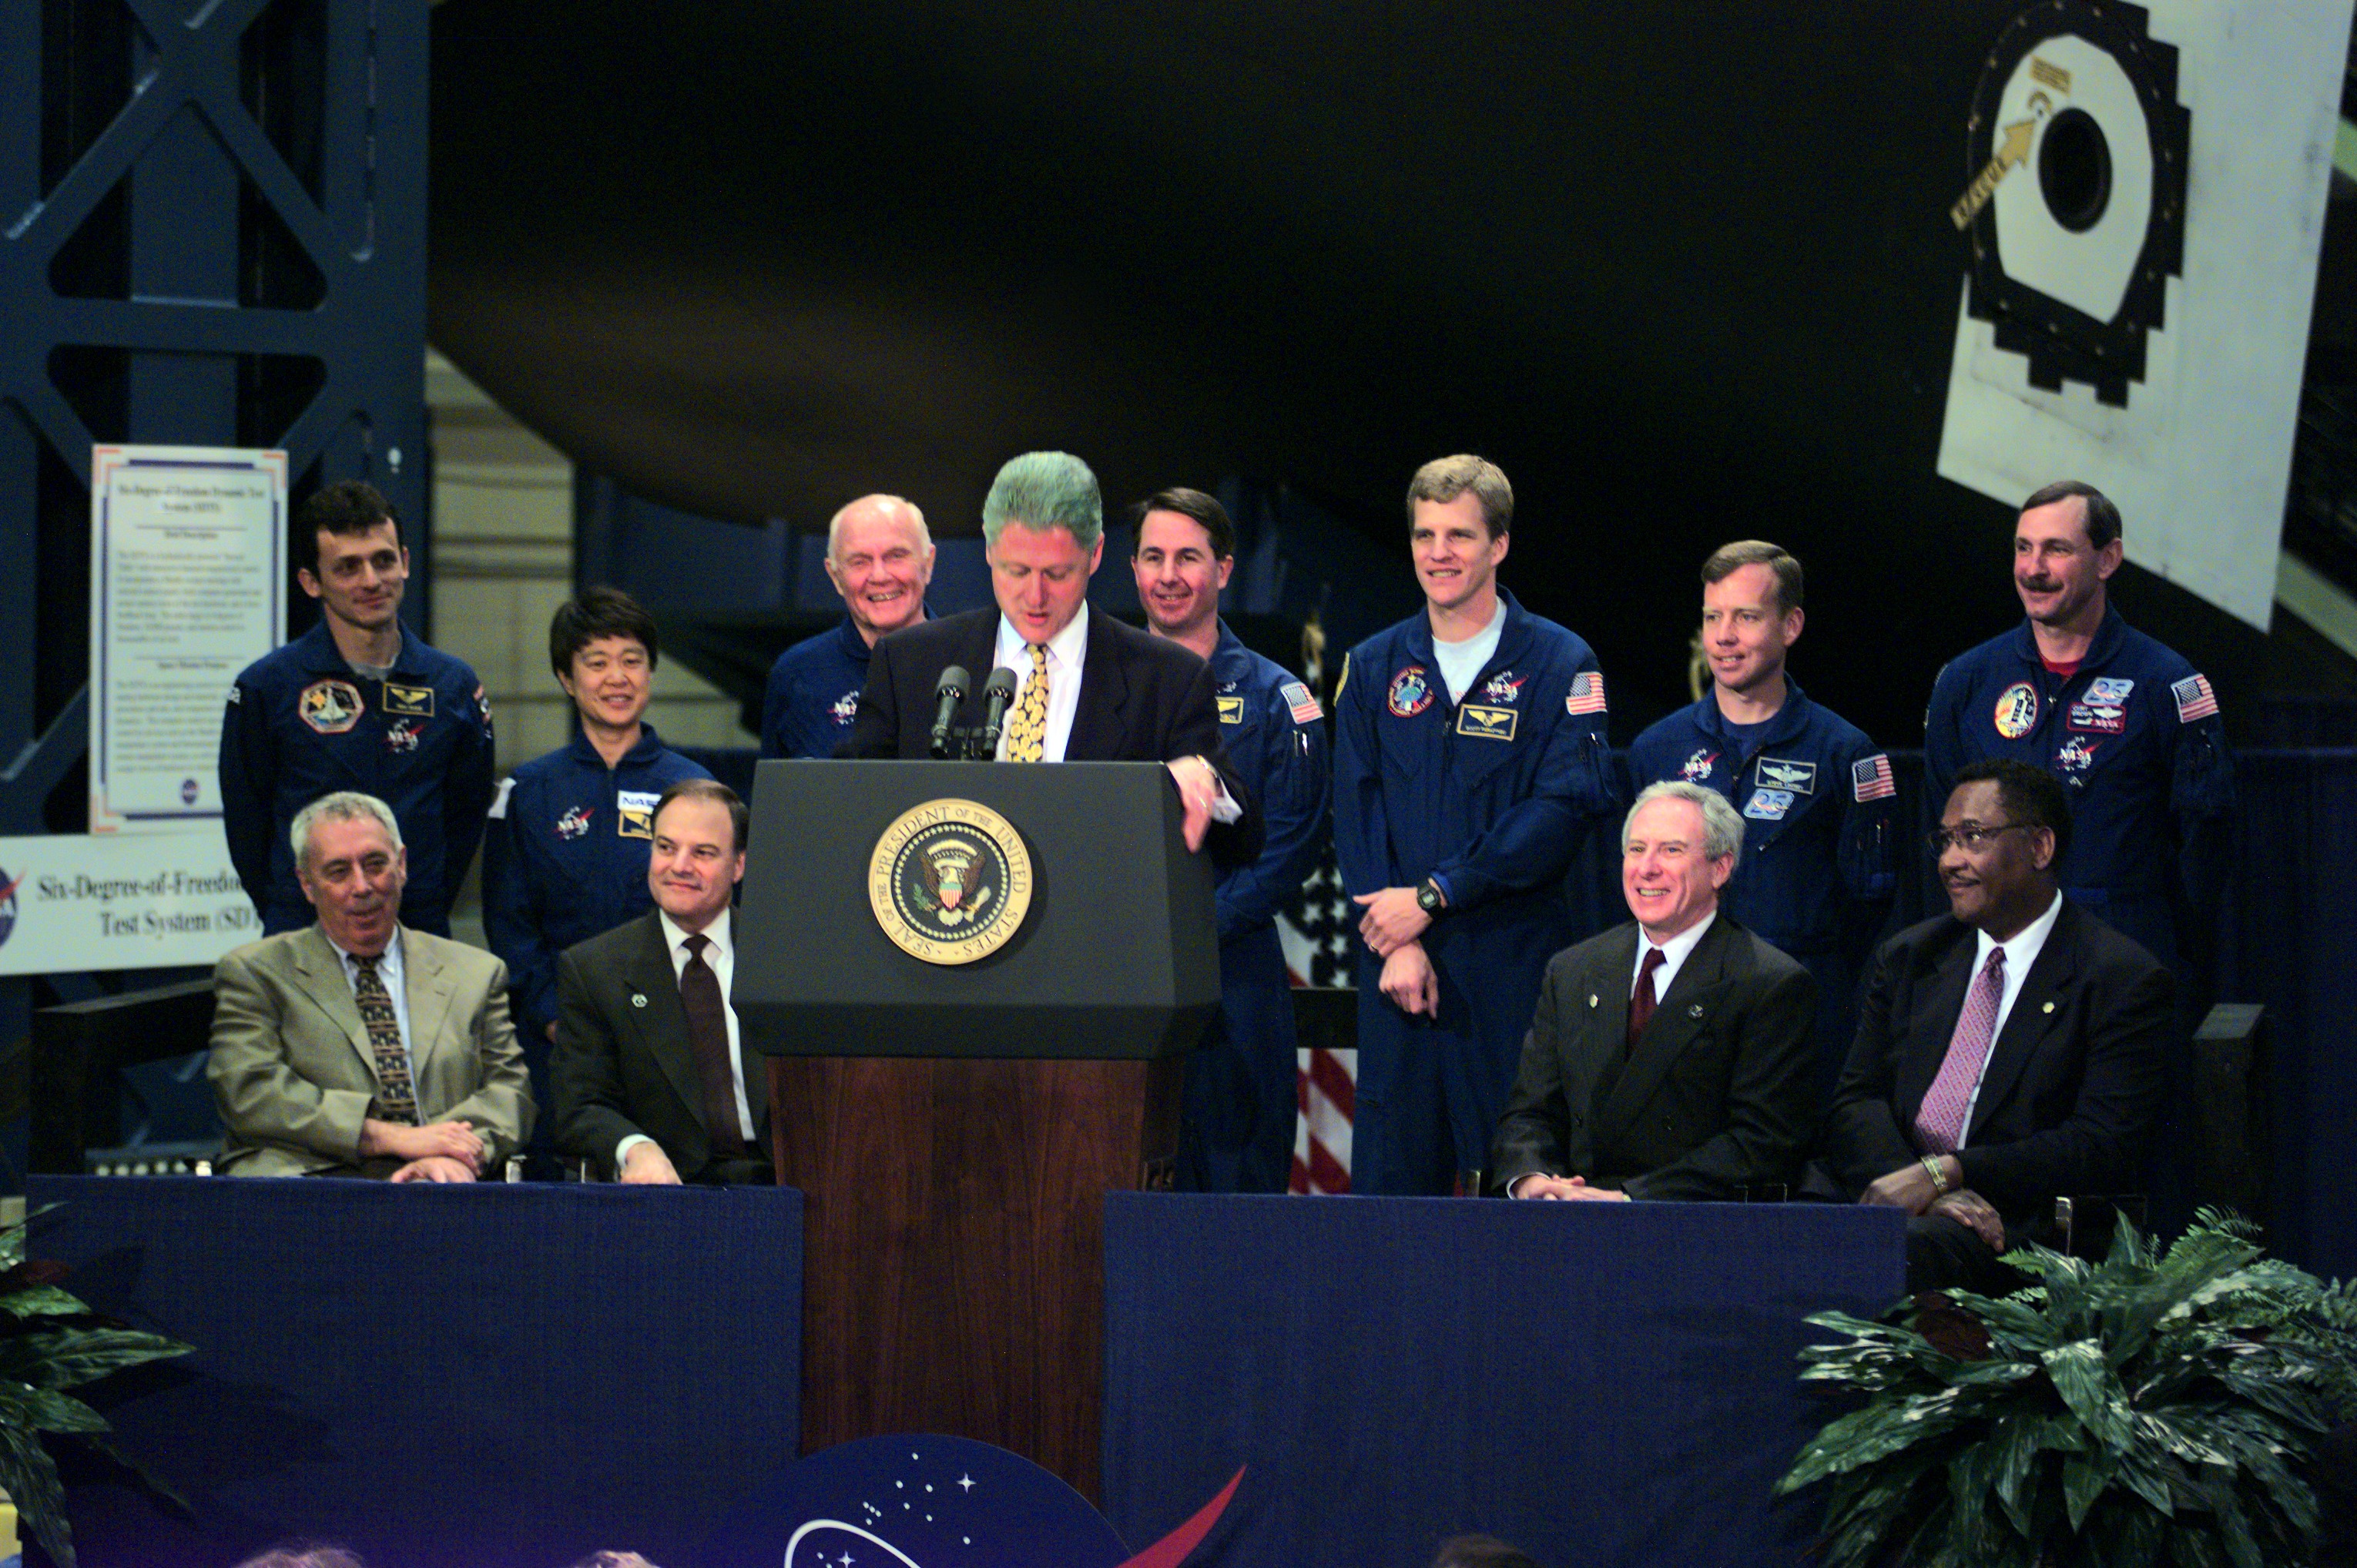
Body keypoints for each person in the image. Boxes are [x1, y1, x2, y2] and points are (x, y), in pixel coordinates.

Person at [1332, 454, 1619, 1194]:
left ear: (1499, 546)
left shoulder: (1562, 661)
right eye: (1425, 535)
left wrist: (1435, 896)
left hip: (1513, 962)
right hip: (1396, 967)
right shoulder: (1373, 666)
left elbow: (1562, 812)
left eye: (1459, 535)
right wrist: (1395, 938)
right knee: (1394, 1200)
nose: (1438, 554)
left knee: (1520, 1187)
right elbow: (1356, 812)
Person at [1809, 759, 2174, 1294]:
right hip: (1913, 1200)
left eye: (1973, 837)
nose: (1951, 861)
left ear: (2040, 847)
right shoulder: (1911, 956)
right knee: (1781, 1225)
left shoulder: (2119, 977)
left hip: (2015, 1226)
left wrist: (1952, 1172)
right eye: (1946, 840)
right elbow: (1855, 1100)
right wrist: (1920, 1185)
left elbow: (2099, 1146)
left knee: (1900, 1248)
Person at [843, 451, 1258, 861]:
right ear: (988, 551)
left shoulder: (1169, 677)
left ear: (1095, 554)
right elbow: (848, 808)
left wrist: (1206, 782)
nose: (1035, 597)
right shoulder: (908, 663)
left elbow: (1243, 843)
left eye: (1057, 574)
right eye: (1017, 571)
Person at [1923, 481, 2234, 980]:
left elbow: (2204, 844)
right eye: (2023, 548)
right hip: (1996, 963)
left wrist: (2170, 957)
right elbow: (1938, 832)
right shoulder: (1967, 682)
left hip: (2121, 963)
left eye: (2056, 549)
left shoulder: (2167, 685)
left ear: (2107, 559)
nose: (2033, 568)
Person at [1624, 541, 1896, 1091]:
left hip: (1802, 1013)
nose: (1723, 636)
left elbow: (1869, 899)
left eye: (1746, 617)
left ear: (1791, 625)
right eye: (1712, 617)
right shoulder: (1657, 748)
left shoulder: (1847, 752)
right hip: (1681, 1014)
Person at [1130, 487, 1329, 1191]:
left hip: (1232, 972)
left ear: (1224, 568)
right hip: (1113, 974)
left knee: (1235, 1181)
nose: (1169, 574)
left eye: (1189, 557)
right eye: (1154, 556)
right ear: (1131, 569)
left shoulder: (1281, 699)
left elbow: (1291, 848)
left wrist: (1185, 930)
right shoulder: (1092, 687)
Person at [1489, 782, 1817, 1202]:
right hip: (1570, 1215)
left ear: (1720, 869)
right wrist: (1531, 1179)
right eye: (1637, 849)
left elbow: (1762, 1143)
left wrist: (1630, 1198)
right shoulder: (1572, 970)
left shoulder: (1769, 983)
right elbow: (1530, 1112)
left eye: (1672, 850)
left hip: (1689, 1226)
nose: (1647, 868)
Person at [481, 587, 712, 1145]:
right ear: (566, 679)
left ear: (651, 674)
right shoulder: (527, 791)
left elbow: (715, 909)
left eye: (632, 661)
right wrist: (555, 1015)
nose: (617, 678)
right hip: (557, 1036)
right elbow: (507, 919)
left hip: (672, 1033)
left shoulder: (696, 789)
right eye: (597, 662)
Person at [220, 480, 495, 937]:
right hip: (303, 931)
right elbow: (247, 824)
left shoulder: (453, 688)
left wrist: (421, 893)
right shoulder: (268, 688)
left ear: (405, 563)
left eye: (383, 560)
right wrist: (293, 903)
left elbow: (465, 817)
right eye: (348, 567)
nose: (371, 581)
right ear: (311, 582)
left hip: (418, 927)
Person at [208, 791, 531, 1179]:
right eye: (338, 872)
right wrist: (390, 1139)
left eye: (375, 864)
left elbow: (510, 1093)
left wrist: (452, 1154)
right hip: (313, 1182)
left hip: (445, 1181)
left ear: (402, 866)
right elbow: (251, 1094)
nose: (362, 887)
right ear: (307, 885)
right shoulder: (255, 973)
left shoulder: (475, 973)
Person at [550, 779, 770, 1184]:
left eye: (703, 853)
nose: (680, 866)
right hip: (665, 1190)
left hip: (789, 1183)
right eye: (666, 848)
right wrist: (634, 1147)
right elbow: (579, 1107)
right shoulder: (594, 970)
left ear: (739, 865)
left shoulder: (782, 955)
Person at [761, 494, 938, 759]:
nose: (879, 576)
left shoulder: (980, 661)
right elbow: (777, 796)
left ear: (928, 564)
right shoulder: (797, 674)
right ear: (835, 576)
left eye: (896, 556)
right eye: (860, 562)